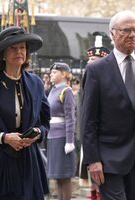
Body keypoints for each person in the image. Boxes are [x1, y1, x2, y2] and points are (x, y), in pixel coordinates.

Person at [0, 26, 51, 200]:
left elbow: (45, 122)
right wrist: (5, 137)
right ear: (3, 54)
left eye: (22, 47)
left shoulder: (35, 83)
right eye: (13, 48)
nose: (19, 52)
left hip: (28, 162)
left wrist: (37, 133)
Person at [82, 10, 135, 200]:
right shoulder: (96, 70)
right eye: (126, 30)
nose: (132, 35)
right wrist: (93, 160)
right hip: (109, 160)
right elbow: (88, 119)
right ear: (112, 33)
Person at [79, 44, 110, 200]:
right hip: (89, 133)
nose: (91, 63)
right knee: (92, 175)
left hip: (104, 135)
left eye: (95, 60)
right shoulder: (87, 76)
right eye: (90, 59)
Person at [47, 62, 75, 200]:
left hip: (62, 137)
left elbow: (70, 118)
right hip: (52, 135)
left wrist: (69, 141)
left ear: (63, 74)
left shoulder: (66, 91)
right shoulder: (53, 90)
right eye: (51, 72)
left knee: (64, 176)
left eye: (55, 72)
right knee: (57, 176)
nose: (51, 74)